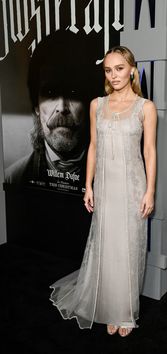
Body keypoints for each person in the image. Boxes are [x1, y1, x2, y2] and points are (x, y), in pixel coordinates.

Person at [49, 46, 157, 337]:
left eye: (120, 68)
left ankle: (125, 311)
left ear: (132, 68)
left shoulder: (145, 107)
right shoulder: (97, 104)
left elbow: (149, 151)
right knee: (108, 248)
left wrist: (150, 191)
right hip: (106, 185)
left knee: (129, 248)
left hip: (133, 184)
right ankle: (110, 307)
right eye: (109, 70)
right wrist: (89, 185)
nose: (114, 75)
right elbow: (93, 147)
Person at [5, 31, 102, 194]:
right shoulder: (13, 178)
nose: (62, 107)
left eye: (73, 92)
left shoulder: (114, 179)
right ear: (36, 105)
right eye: (50, 93)